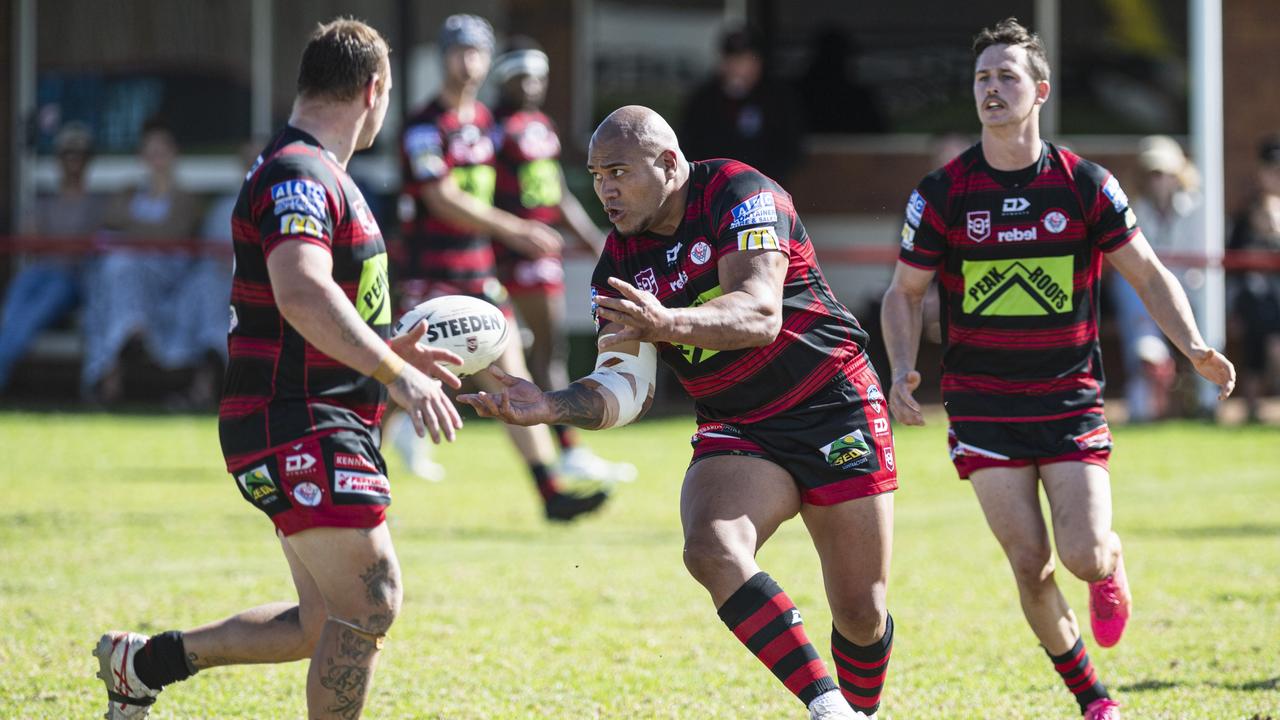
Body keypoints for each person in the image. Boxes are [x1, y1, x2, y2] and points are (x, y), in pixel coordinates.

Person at [461, 105, 897, 720]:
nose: (604, 189)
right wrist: (550, 405)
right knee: (711, 548)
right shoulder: (617, 264)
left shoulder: (741, 194)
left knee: (859, 609)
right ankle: (829, 710)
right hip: (738, 423)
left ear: (669, 164)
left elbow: (759, 313)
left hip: (831, 400)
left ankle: (863, 710)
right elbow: (626, 387)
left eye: (618, 171)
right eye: (594, 174)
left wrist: (667, 322)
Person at [94, 18, 464, 719]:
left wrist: (388, 347)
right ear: (374, 90)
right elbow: (301, 290)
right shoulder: (300, 171)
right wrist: (394, 372)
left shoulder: (321, 172)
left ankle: (141, 665)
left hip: (308, 413)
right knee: (374, 597)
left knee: (320, 623)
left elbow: (312, 303)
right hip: (298, 417)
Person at [880, 19, 1235, 720]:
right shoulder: (945, 192)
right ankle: (1092, 699)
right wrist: (899, 370)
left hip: (1069, 401)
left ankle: (1110, 560)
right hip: (983, 406)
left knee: (1081, 556)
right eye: (982, 77)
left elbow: (1149, 272)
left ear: (1039, 91)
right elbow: (904, 293)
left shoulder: (1085, 185)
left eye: (1007, 76)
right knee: (1029, 565)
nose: (992, 89)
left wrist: (1194, 344)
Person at [397, 14, 610, 520]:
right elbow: (440, 195)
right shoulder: (424, 124)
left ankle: (550, 492)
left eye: (477, 52)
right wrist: (515, 229)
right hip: (432, 275)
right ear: (443, 57)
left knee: (513, 379)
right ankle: (360, 482)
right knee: (395, 383)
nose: (468, 61)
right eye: (458, 51)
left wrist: (577, 232)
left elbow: (541, 182)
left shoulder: (492, 124)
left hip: (482, 275)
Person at [491, 38, 636, 484]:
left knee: (544, 349)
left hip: (542, 253)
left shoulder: (543, 127)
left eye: (540, 75)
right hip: (504, 255)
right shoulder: (492, 128)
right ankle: (566, 447)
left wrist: (595, 240)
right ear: (505, 80)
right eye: (523, 76)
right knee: (494, 348)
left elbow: (554, 193)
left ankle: (567, 446)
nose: (533, 84)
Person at [79, 119, 225, 406]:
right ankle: (115, 367)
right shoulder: (128, 191)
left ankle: (131, 344)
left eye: (162, 150)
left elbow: (173, 230)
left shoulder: (185, 197)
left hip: (172, 276)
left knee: (122, 265)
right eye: (150, 151)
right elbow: (108, 220)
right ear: (142, 157)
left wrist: (130, 229)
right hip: (130, 276)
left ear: (174, 154)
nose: (156, 158)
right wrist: (145, 231)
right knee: (113, 271)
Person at [1112, 135, 1212, 420]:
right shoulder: (1131, 210)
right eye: (1151, 173)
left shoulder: (1199, 208)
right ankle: (1151, 366)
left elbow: (1201, 265)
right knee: (1132, 293)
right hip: (1147, 297)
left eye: (1163, 173)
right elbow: (1138, 270)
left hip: (1193, 294)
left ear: (1177, 174)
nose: (1157, 180)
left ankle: (1197, 392)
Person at [0, 122, 104, 393]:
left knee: (32, 314)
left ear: (88, 160)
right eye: (67, 153)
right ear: (58, 158)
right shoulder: (44, 200)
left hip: (72, 281)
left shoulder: (98, 203)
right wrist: (64, 245)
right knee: (13, 308)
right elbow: (29, 240)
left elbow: (88, 247)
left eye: (79, 153)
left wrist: (57, 245)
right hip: (40, 272)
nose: (73, 159)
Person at [679, 26, 804, 184]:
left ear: (758, 63)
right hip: (713, 189)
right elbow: (689, 146)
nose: (738, 68)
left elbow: (791, 148)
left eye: (745, 60)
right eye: (732, 60)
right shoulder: (703, 99)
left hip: (765, 188)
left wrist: (761, 180)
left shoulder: (777, 98)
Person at [1227, 135, 1280, 423]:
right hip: (1254, 297)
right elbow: (1234, 261)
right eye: (1272, 169)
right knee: (1259, 321)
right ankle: (1252, 407)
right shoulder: (1246, 212)